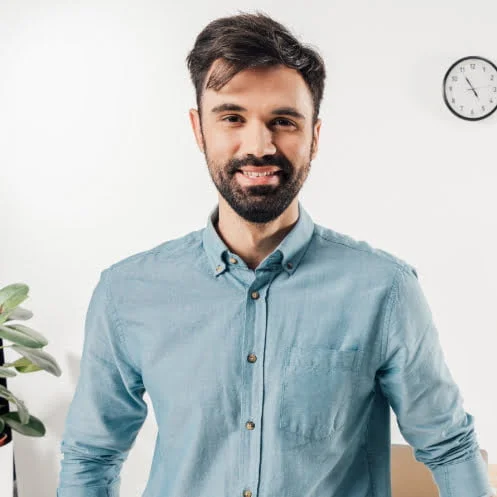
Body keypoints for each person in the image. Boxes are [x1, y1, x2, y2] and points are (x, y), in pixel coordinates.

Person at [57, 10, 494, 497]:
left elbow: (449, 446)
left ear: (315, 136)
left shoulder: (384, 290)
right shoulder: (127, 293)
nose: (259, 146)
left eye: (283, 121)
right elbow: (91, 457)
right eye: (232, 118)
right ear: (198, 129)